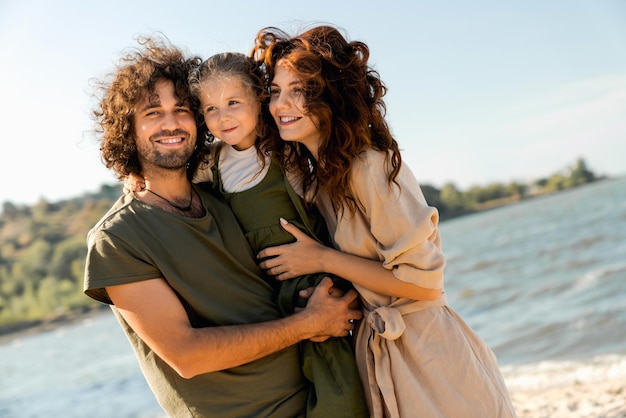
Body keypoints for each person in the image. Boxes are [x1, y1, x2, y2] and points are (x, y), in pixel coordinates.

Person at [83, 35, 362, 417]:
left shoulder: (222, 194)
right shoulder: (116, 239)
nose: (171, 123)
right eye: (152, 113)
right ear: (126, 129)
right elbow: (186, 354)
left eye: (181, 109)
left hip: (317, 396)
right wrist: (307, 323)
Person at [252, 25, 518, 418]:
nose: (281, 104)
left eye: (300, 90)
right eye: (275, 91)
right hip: (385, 355)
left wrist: (321, 259)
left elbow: (423, 283)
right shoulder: (323, 176)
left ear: (332, 96)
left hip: (430, 357)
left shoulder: (368, 166)